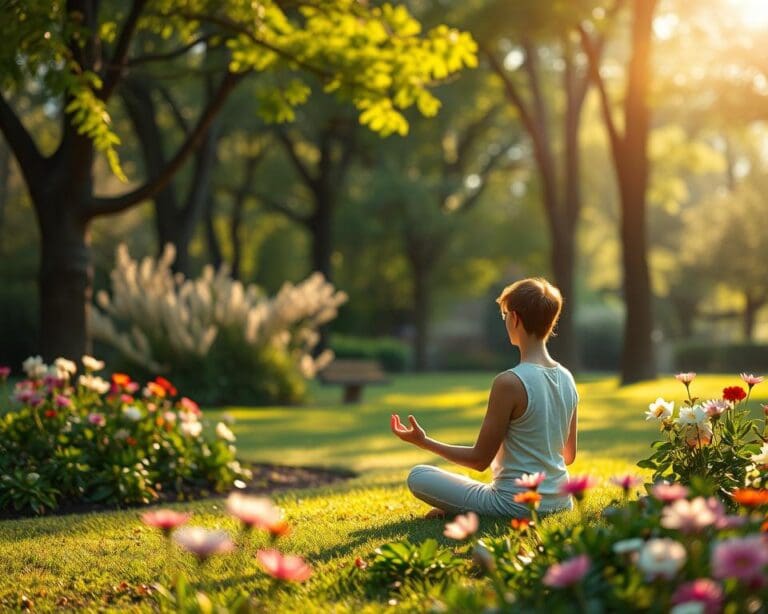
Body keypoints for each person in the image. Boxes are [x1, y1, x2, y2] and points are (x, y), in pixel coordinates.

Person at [390, 277, 578, 518]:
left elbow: (479, 460)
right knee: (462, 483)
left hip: (515, 505)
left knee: (418, 476)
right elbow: (568, 455)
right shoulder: (567, 377)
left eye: (505, 315)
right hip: (562, 502)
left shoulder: (510, 382)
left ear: (515, 318)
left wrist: (424, 441)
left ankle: (467, 510)